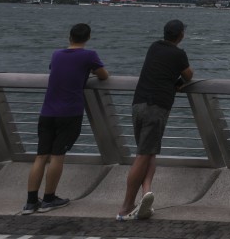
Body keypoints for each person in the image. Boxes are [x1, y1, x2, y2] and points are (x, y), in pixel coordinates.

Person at [23, 23, 109, 214]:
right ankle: (49, 198)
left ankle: (30, 202)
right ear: (88, 38)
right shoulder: (89, 55)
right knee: (57, 156)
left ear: (69, 37)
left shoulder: (57, 54)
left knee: (41, 155)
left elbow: (55, 69)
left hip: (47, 112)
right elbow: (103, 75)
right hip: (69, 112)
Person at [116, 19, 193, 221]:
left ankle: (146, 195)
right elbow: (189, 75)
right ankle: (125, 207)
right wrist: (177, 83)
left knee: (148, 152)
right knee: (143, 154)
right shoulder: (178, 54)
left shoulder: (154, 47)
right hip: (156, 106)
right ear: (181, 36)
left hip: (138, 104)